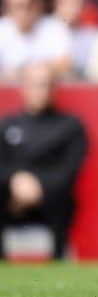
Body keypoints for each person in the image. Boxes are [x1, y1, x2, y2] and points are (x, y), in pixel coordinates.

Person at [0, 63, 87, 260]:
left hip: (52, 202)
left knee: (64, 197)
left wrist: (38, 187)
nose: (42, 91)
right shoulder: (7, 125)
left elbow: (69, 170)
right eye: (36, 85)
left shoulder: (70, 126)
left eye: (47, 85)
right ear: (24, 87)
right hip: (10, 201)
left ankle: (58, 258)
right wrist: (15, 182)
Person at [0, 0, 73, 81]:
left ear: (40, 2)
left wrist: (20, 72)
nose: (26, 11)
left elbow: (65, 65)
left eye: (31, 3)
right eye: (19, 5)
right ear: (7, 7)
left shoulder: (55, 27)